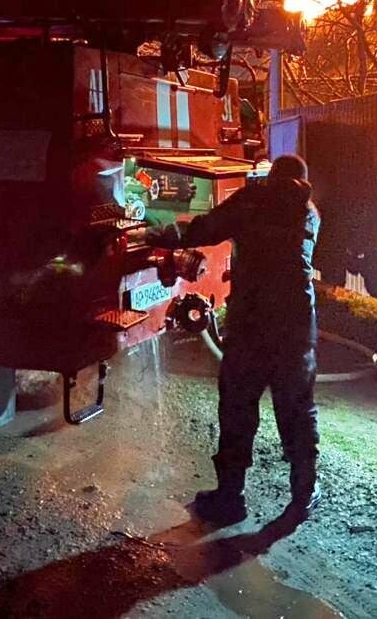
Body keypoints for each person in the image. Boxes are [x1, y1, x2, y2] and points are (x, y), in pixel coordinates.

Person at [149, 153, 322, 525]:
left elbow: (206, 228)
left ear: (271, 176)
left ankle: (230, 498)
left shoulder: (251, 201)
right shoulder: (310, 212)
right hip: (295, 326)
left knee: (238, 409)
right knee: (296, 409)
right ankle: (304, 494)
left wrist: (165, 235)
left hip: (251, 324)